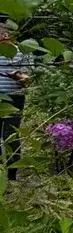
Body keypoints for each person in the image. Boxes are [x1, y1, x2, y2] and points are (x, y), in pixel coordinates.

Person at [0, 19, 30, 180]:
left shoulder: (21, 52)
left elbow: (27, 78)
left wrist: (17, 76)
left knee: (10, 135)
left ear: (6, 34)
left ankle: (12, 174)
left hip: (14, 98)